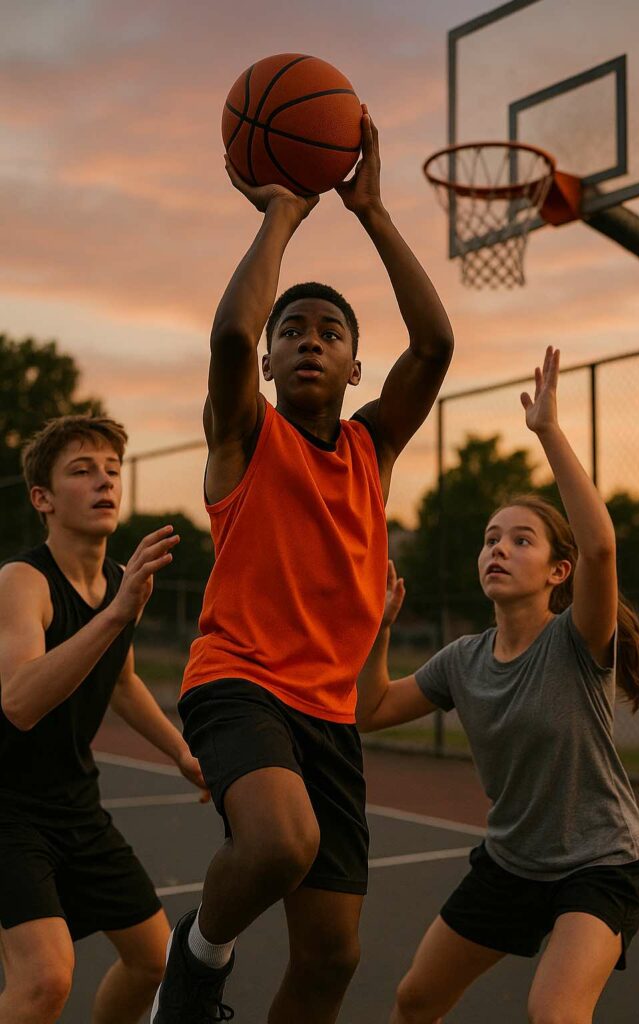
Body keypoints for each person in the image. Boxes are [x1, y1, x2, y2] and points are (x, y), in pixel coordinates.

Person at [150, 106, 454, 1024]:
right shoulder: (245, 437)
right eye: (295, 330)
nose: (309, 338)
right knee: (280, 842)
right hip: (237, 682)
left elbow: (436, 345)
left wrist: (371, 210)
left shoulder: (372, 448)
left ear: (356, 364)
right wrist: (279, 214)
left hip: (327, 715)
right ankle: (195, 966)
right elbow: (229, 340)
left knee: (331, 959)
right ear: (275, 359)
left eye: (329, 330)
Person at [356, 347, 639, 1024]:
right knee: (413, 1000)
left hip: (600, 864)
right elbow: (369, 710)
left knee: (553, 1013)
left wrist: (548, 432)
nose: (497, 548)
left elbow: (601, 548)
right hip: (511, 864)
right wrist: (377, 631)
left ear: (558, 571)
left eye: (519, 540)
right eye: (490, 538)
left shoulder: (576, 639)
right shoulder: (461, 660)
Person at [0, 414, 207, 1024]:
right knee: (43, 980)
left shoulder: (119, 584)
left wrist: (181, 753)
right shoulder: (22, 581)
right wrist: (115, 615)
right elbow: (18, 700)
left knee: (155, 960)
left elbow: (121, 680)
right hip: (8, 807)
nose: (104, 482)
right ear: (43, 498)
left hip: (75, 806)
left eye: (112, 470)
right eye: (82, 471)